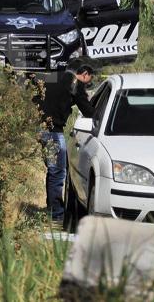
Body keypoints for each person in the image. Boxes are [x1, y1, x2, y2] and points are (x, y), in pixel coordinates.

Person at [34, 65, 96, 221]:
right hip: (53, 130)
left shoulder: (55, 75)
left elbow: (36, 87)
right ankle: (56, 214)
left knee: (53, 170)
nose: (86, 85)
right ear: (85, 74)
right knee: (58, 172)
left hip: (40, 126)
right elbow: (88, 111)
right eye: (88, 81)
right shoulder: (76, 83)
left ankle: (52, 210)